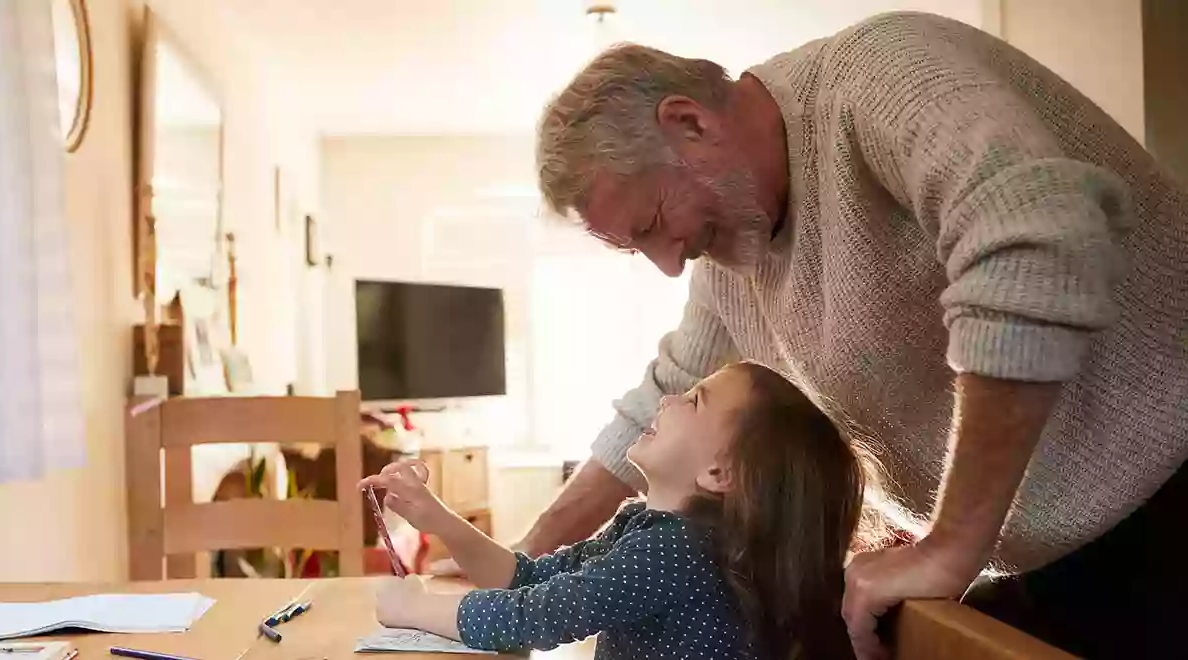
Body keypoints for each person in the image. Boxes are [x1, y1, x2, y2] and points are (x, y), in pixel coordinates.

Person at [504, 10, 1187, 659]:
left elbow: (1035, 239)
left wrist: (951, 545)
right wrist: (520, 568)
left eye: (652, 222)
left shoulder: (877, 74)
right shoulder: (728, 262)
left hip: (1166, 501)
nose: (668, 262)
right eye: (637, 249)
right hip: (1032, 561)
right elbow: (658, 398)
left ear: (688, 122)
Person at [365, 362, 871, 659]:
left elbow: (535, 617)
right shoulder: (649, 529)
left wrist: (412, 609)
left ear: (720, 473)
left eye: (693, 402)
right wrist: (436, 517)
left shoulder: (679, 551)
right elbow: (529, 581)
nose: (669, 399)